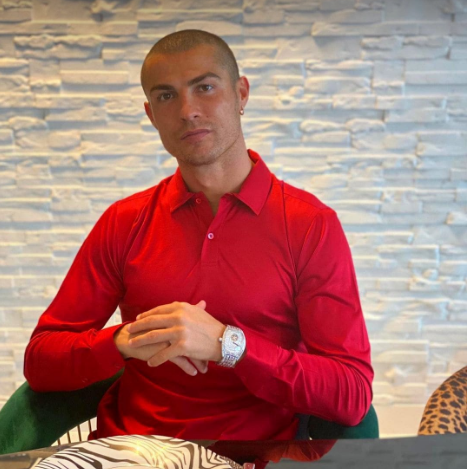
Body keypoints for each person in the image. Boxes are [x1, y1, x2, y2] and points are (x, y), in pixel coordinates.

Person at [24, 30, 373, 441]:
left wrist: (229, 345)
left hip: (255, 463)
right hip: (130, 459)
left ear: (241, 94)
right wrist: (122, 339)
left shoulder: (309, 224)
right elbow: (41, 361)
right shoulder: (124, 221)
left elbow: (351, 394)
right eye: (166, 96)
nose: (187, 111)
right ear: (151, 114)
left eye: (205, 88)